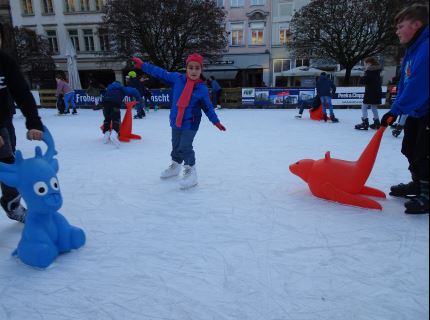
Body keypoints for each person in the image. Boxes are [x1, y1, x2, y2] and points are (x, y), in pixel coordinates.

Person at [132, 53, 226, 189]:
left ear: (201, 70)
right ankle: (176, 166)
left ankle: (191, 171)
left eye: (197, 68)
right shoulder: (177, 79)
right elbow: (160, 73)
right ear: (186, 68)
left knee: (185, 146)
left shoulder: (201, 89)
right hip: (176, 120)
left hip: (191, 122)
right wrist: (143, 66)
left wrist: (216, 121)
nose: (194, 71)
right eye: (191, 67)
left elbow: (208, 108)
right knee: (176, 144)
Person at [380, 3, 429, 214]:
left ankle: (427, 192)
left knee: (425, 152)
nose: (397, 31)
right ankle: (418, 183)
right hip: (418, 110)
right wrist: (397, 106)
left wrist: (396, 110)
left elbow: (419, 84)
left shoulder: (427, 48)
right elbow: (405, 83)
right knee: (409, 146)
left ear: (417, 24)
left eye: (401, 26)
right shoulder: (412, 49)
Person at [0, 22, 44, 223]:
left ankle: (12, 204)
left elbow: (22, 93)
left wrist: (34, 122)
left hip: (3, 122)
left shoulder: (4, 61)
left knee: (8, 165)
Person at [101, 81, 142, 148]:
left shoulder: (109, 87)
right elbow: (134, 90)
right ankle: (114, 134)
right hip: (115, 103)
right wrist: (138, 99)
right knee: (116, 119)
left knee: (107, 119)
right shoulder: (122, 88)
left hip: (105, 103)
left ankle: (106, 134)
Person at [355, 57, 383, 130]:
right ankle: (377, 122)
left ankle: (365, 123)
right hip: (377, 91)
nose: (364, 65)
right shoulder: (376, 71)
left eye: (365, 64)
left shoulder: (369, 71)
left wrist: (362, 76)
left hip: (370, 92)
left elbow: (363, 82)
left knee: (364, 106)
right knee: (374, 107)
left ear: (369, 64)